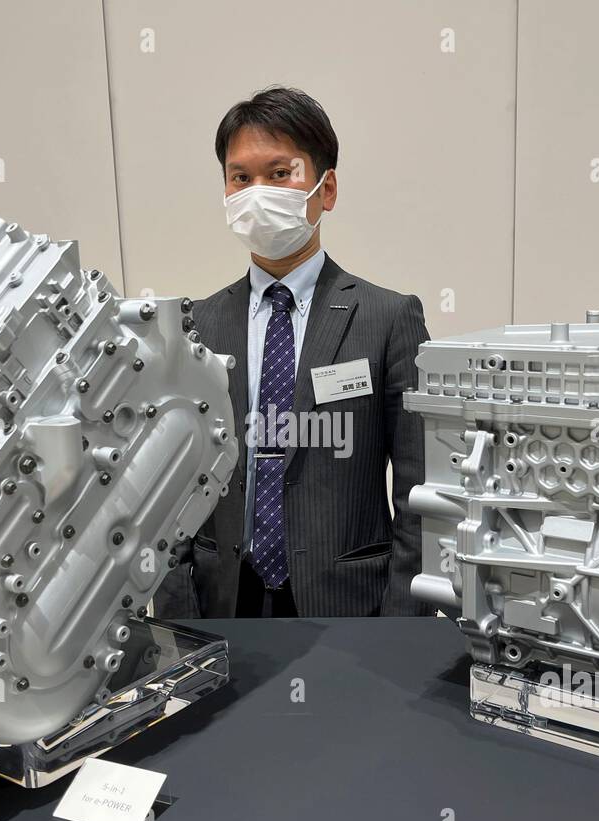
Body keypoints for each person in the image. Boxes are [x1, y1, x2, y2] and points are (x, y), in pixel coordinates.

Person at [155, 87, 432, 619]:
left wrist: (403, 623)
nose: (257, 193)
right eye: (241, 177)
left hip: (350, 606)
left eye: (280, 174)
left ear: (325, 190)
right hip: (224, 601)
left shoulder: (389, 318)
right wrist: (177, 611)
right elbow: (170, 489)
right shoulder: (197, 326)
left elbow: (420, 491)